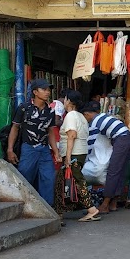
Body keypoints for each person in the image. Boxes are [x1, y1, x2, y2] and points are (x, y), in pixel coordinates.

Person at [6, 79, 59, 206]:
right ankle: (23, 206)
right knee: (25, 177)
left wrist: (56, 151)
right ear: (35, 92)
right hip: (28, 148)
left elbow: (51, 131)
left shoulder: (50, 111)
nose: (47, 92)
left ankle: (47, 209)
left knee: (49, 178)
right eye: (44, 89)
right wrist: (10, 149)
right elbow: (15, 128)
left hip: (45, 149)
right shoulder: (24, 108)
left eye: (48, 90)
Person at [54, 90, 101, 222]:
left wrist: (68, 157)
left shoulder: (71, 115)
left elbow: (72, 135)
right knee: (63, 181)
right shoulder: (80, 116)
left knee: (76, 181)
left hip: (74, 153)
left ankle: (92, 209)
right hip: (79, 152)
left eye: (65, 99)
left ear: (69, 101)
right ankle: (59, 212)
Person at [81, 101, 130, 215]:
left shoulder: (94, 123)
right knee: (120, 172)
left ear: (87, 114)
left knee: (113, 171)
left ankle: (105, 205)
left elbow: (90, 144)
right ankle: (113, 203)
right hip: (126, 138)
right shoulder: (103, 116)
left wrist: (84, 160)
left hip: (121, 140)